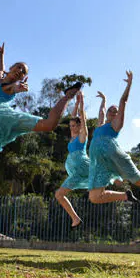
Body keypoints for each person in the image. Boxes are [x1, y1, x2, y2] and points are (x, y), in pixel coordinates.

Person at [0, 43, 81, 213]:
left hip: (6, 119)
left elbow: (12, 88)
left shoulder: (9, 87)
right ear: (11, 68)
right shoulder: (0, 81)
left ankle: (68, 95)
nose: (20, 72)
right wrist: (1, 57)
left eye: (23, 72)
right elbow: (0, 71)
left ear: (21, 78)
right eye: (19, 67)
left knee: (49, 125)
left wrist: (18, 88)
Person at [87, 71, 140, 204]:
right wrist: (104, 100)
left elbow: (123, 101)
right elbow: (101, 111)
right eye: (110, 110)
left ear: (117, 115)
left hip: (113, 155)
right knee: (94, 197)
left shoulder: (115, 125)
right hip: (99, 163)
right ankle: (125, 196)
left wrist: (129, 84)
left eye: (115, 111)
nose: (112, 112)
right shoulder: (100, 126)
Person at [55, 92, 90, 228]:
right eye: (70, 126)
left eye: (74, 126)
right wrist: (75, 104)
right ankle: (75, 219)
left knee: (59, 194)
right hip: (75, 171)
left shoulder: (82, 136)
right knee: (59, 195)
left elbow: (82, 118)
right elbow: (73, 117)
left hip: (82, 166)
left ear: (80, 126)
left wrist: (81, 104)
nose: (72, 128)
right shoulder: (73, 136)